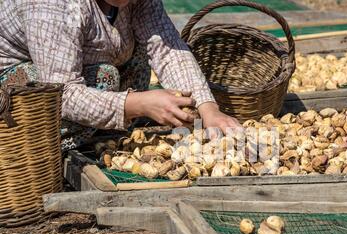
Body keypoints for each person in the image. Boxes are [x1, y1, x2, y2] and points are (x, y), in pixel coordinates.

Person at [0, 0, 240, 150]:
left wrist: (208, 109)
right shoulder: (52, 5)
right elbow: (61, 92)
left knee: (138, 54)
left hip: (84, 68)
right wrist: (137, 103)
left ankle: (105, 137)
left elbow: (166, 49)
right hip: (19, 89)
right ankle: (54, 149)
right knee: (106, 77)